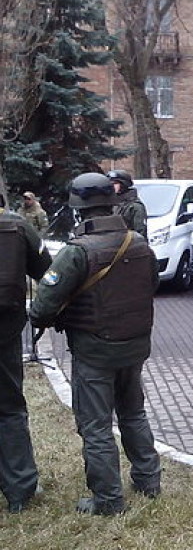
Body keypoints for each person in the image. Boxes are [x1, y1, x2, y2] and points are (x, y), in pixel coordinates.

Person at [29, 172, 161, 515]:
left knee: (97, 426)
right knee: (133, 414)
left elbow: (43, 304)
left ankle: (107, 500)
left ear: (78, 208)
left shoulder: (78, 251)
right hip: (134, 346)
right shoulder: (140, 243)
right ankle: (149, 482)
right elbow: (150, 285)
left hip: (94, 352)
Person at [0, 195, 52, 513]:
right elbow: (46, 271)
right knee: (9, 408)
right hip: (4, 331)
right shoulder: (17, 226)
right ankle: (20, 489)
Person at [106, 169, 147, 238]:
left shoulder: (135, 206)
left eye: (115, 183)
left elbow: (140, 234)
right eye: (110, 184)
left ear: (123, 184)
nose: (112, 186)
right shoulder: (111, 204)